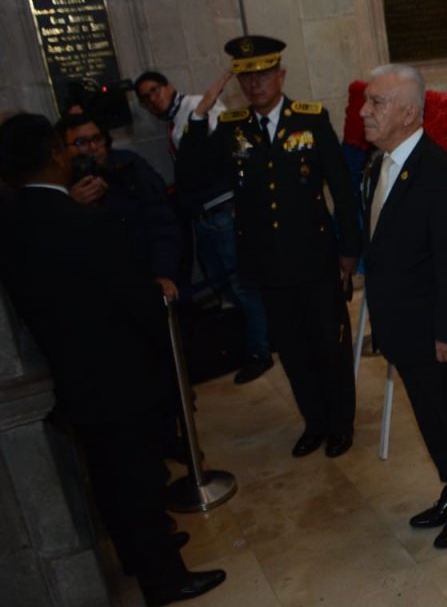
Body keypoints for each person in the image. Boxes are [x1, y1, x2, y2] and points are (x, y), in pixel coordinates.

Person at [0, 113, 227, 606]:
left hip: (72, 375)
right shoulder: (81, 221)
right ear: (54, 154)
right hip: (118, 372)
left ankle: (136, 554)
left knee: (109, 477)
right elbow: (136, 299)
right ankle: (165, 579)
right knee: (139, 480)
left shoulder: (12, 223)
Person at [177, 35, 361, 458]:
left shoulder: (311, 119)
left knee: (328, 344)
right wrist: (201, 114)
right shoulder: (231, 128)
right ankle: (314, 422)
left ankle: (340, 423)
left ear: (281, 75)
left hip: (315, 258)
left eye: (262, 74)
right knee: (293, 349)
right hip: (266, 263)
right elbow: (191, 174)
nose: (255, 84)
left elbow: (341, 189)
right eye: (246, 77)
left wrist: (349, 249)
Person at [360, 64, 447, 549]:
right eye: (367, 101)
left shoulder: (440, 174)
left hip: (438, 333)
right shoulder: (380, 164)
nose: (364, 111)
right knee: (432, 421)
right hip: (404, 328)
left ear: (409, 113)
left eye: (377, 103)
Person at [135, 70, 274, 385]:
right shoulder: (175, 120)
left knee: (241, 284)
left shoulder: (197, 107)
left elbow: (223, 148)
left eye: (155, 90)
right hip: (205, 214)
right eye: (146, 98)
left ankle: (260, 350)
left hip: (222, 209)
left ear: (169, 85)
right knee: (223, 285)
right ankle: (255, 341)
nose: (153, 99)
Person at [57, 113, 183, 301]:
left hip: (146, 275)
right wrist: (71, 206)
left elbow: (161, 222)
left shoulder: (129, 167)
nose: (93, 148)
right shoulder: (60, 185)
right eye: (81, 142)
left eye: (97, 139)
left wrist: (163, 273)